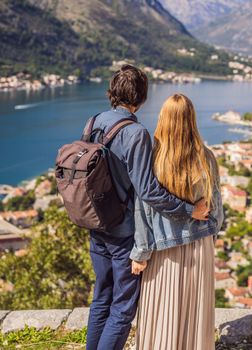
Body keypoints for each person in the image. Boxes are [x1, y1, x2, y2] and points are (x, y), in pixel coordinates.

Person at [85, 66, 210, 350]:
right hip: (122, 231)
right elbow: (148, 192)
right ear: (141, 97)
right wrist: (189, 209)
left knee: (101, 297)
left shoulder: (92, 123)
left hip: (95, 224)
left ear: (112, 92)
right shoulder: (136, 133)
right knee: (122, 307)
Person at [130, 94, 224, 350]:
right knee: (195, 311)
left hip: (163, 248)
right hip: (199, 244)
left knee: (163, 310)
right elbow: (216, 209)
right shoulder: (207, 158)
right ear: (191, 120)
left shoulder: (153, 159)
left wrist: (140, 252)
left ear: (164, 120)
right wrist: (209, 236)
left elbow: (143, 210)